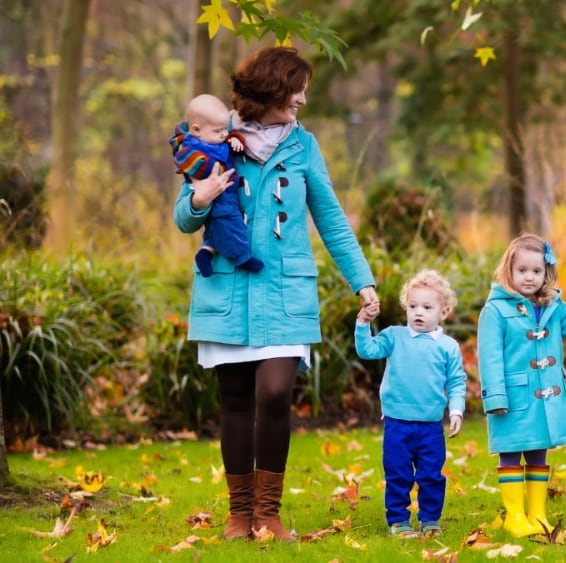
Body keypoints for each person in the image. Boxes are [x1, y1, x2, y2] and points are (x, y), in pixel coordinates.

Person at [173, 47, 380, 542]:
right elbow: (184, 216)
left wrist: (363, 280)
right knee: (236, 398)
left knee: (274, 393)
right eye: (296, 88)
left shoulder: (304, 146)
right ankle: (239, 515)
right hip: (226, 289)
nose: (302, 98)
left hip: (285, 293)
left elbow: (329, 217)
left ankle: (269, 513)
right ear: (269, 88)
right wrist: (199, 200)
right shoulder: (219, 141)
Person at [477, 233, 566, 537]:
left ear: (546, 273)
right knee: (511, 452)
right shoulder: (495, 310)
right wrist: (495, 396)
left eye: (537, 271)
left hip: (544, 399)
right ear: (509, 271)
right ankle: (515, 516)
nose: (530, 277)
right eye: (523, 270)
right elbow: (489, 357)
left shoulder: (553, 306)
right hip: (512, 398)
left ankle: (537, 513)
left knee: (539, 452)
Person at [354, 269, 467, 539]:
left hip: (430, 427)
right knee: (398, 475)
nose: (419, 312)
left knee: (431, 476)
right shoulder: (394, 337)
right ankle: (399, 521)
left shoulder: (448, 347)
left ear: (444, 312)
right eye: (413, 306)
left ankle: (429, 520)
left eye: (427, 307)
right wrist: (362, 323)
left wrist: (456, 410)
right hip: (397, 424)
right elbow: (367, 350)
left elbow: (456, 381)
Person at [169, 93, 263, 278]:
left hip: (226, 189)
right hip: (218, 192)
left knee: (215, 229)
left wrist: (235, 139)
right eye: (218, 131)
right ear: (196, 130)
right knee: (230, 220)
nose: (223, 134)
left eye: (225, 129)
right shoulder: (191, 148)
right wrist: (202, 193)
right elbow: (189, 164)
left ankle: (206, 252)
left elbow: (228, 137)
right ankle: (241, 256)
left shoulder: (216, 136)